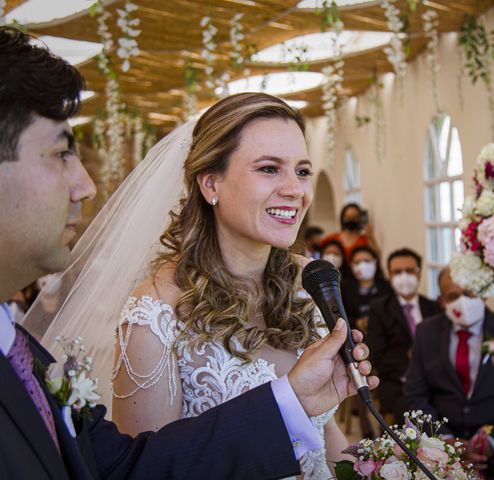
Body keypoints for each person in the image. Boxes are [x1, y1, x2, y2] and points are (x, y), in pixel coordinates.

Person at [1, 26, 377, 479]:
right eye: (268, 168)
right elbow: (144, 468)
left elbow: (322, 440)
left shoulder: (306, 285)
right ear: (211, 183)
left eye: (301, 170)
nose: (294, 190)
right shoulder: (154, 314)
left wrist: (393, 465)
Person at [404, 267, 494, 480]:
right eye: (453, 296)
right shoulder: (426, 333)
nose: (463, 301)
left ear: (484, 292)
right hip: (443, 446)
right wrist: (444, 440)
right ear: (441, 301)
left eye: (470, 292)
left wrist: (493, 441)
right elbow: (415, 395)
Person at [366, 248, 441, 424]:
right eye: (398, 272)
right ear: (389, 275)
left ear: (419, 273)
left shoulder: (433, 308)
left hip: (435, 380)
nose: (404, 276)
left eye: (410, 271)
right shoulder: (379, 309)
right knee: (412, 414)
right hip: (398, 383)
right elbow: (376, 354)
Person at [341, 245, 391, 438]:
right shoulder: (345, 287)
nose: (363, 265)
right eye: (357, 261)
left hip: (380, 340)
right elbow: (341, 316)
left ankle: (386, 421)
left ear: (376, 263)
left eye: (367, 260)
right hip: (355, 339)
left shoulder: (385, 286)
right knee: (357, 367)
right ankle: (366, 424)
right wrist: (358, 324)